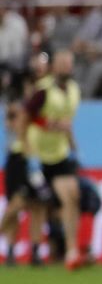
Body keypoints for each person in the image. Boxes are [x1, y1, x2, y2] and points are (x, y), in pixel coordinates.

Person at [24, 50, 88, 269]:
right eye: (62, 63)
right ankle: (33, 248)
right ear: (54, 66)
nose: (66, 68)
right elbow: (27, 117)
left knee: (71, 197)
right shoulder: (43, 89)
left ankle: (72, 251)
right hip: (38, 153)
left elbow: (67, 123)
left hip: (59, 154)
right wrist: (27, 149)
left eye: (69, 64)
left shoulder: (74, 91)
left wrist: (74, 150)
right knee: (29, 206)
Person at [2, 98, 49, 266]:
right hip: (19, 161)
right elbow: (11, 121)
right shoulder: (19, 112)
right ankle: (10, 249)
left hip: (35, 164)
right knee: (15, 206)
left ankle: (35, 251)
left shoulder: (39, 114)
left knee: (39, 205)